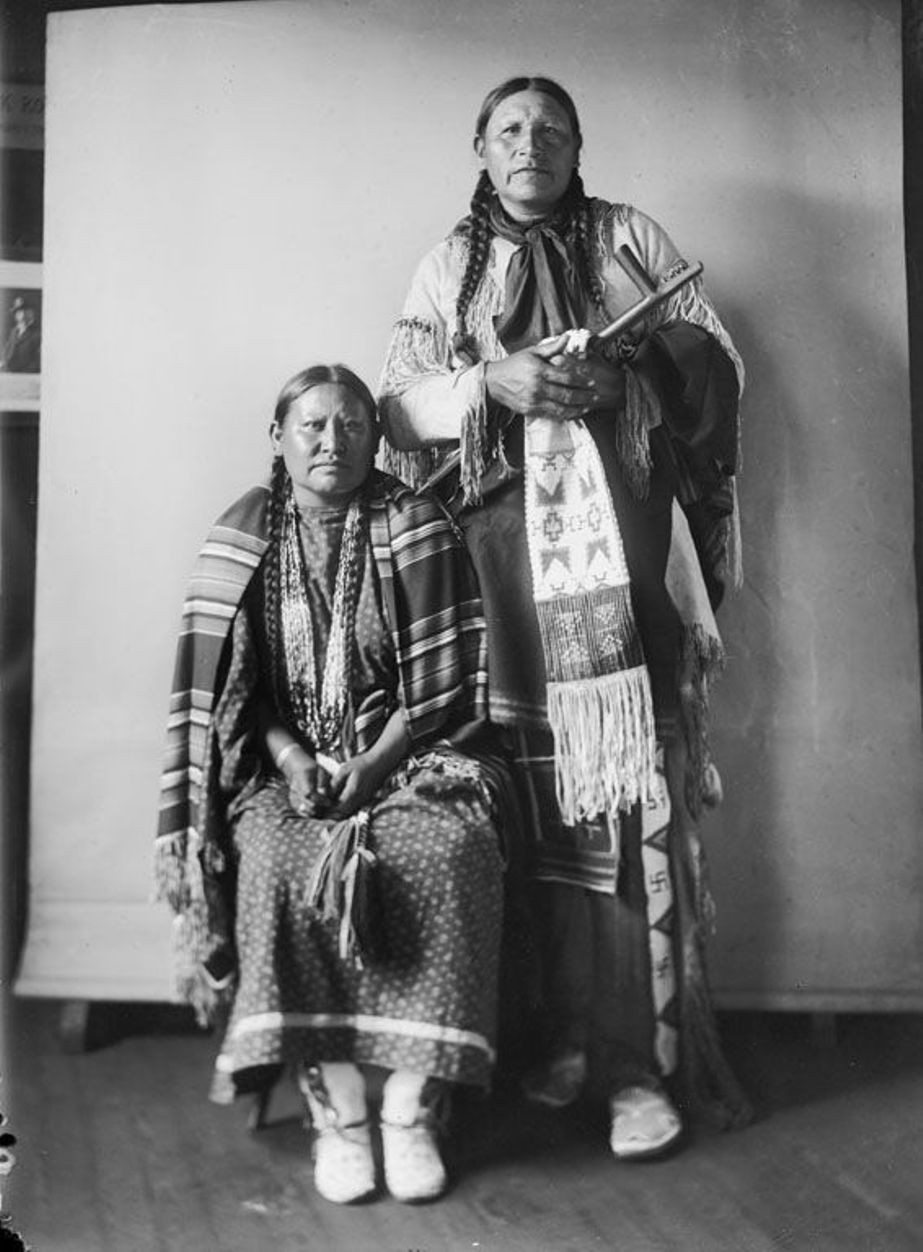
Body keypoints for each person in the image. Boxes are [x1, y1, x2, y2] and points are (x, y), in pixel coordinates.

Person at [378, 75, 752, 1159]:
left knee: (623, 808)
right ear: (480, 150)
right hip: (497, 585)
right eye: (508, 129)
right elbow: (397, 403)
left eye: (549, 128)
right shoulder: (449, 266)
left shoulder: (631, 238)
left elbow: (717, 365)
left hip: (618, 579)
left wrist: (627, 373)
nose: (528, 143)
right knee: (523, 811)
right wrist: (490, 383)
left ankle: (637, 1069)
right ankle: (551, 1044)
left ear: (578, 143)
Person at [155, 364, 510, 1205]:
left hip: (418, 757)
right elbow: (241, 698)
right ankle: (339, 1110)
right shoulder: (246, 537)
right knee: (278, 860)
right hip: (294, 768)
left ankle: (410, 1109)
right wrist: (291, 761)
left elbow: (448, 689)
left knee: (449, 848)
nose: (331, 441)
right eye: (311, 425)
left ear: (374, 438)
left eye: (351, 425)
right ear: (277, 438)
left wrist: (372, 767)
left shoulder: (415, 522)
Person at [0, 297, 40, 373]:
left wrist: (23, 373)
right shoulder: (14, 332)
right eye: (17, 312)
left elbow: (37, 362)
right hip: (8, 372)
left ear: (31, 314)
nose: (21, 315)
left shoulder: (37, 334)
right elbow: (7, 350)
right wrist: (3, 363)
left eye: (25, 311)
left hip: (24, 374)